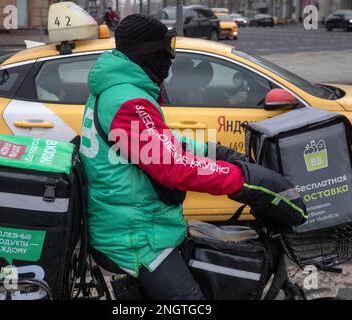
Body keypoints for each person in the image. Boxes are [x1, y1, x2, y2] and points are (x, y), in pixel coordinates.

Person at [80, 14, 307, 300]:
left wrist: (217, 152)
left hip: (136, 223)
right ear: (147, 53)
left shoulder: (117, 90)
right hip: (137, 238)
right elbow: (172, 167)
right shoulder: (128, 101)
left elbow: (162, 144)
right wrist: (243, 181)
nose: (170, 58)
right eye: (166, 49)